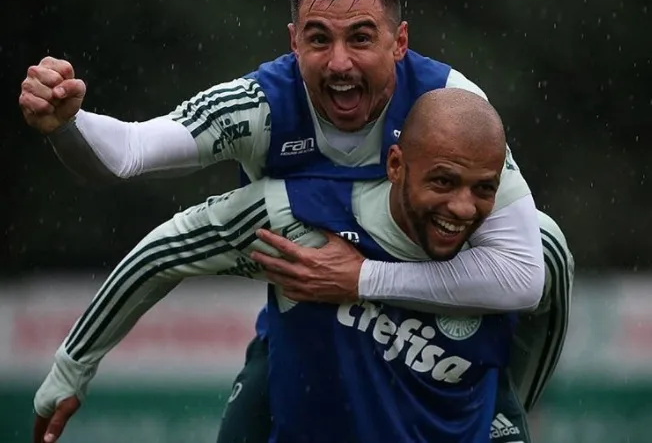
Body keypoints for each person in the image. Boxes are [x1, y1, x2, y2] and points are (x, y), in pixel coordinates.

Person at [21, 0, 549, 441]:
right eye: (320, 39)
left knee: (550, 245)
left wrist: (361, 277)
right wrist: (68, 122)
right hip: (307, 326)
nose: (340, 62)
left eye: (361, 38)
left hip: (442, 345)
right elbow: (129, 155)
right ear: (294, 42)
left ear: (400, 41)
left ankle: (507, 398)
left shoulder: (453, 108)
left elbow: (528, 276)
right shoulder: (258, 110)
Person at [37, 88, 525, 443]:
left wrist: (512, 411)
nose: (462, 208)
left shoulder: (517, 252)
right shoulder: (298, 216)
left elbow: (543, 312)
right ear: (395, 165)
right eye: (442, 182)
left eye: (483, 189)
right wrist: (71, 367)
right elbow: (163, 253)